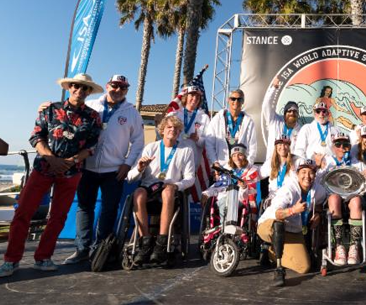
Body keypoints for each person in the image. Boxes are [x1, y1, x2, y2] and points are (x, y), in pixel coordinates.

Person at [0, 73, 103, 277]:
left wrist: (70, 161)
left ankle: (43, 257)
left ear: (89, 92)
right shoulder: (50, 109)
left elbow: (92, 145)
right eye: (75, 86)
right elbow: (36, 136)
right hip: (43, 169)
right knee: (23, 213)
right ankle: (11, 260)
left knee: (58, 217)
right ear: (69, 87)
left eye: (84, 88)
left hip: (71, 172)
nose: (79, 90)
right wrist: (52, 159)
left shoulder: (93, 117)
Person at [64, 74, 144, 265]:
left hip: (114, 170)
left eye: (123, 87)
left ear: (126, 90)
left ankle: (100, 249)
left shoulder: (132, 113)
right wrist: (47, 106)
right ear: (108, 86)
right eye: (115, 85)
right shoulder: (91, 105)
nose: (118, 90)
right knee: (84, 208)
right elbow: (67, 114)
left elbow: (138, 143)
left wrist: (127, 164)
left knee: (109, 210)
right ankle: (82, 249)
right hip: (86, 167)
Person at [125, 116, 195, 265]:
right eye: (169, 127)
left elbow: (190, 178)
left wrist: (177, 185)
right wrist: (140, 167)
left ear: (179, 132)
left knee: (168, 191)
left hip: (170, 189)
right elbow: (130, 178)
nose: (173, 131)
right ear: (162, 130)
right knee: (138, 193)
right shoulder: (151, 148)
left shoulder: (186, 150)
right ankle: (145, 242)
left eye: (176, 129)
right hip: (150, 188)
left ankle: (161, 243)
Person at [257, 159, 326, 287]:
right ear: (297, 174)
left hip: (293, 230)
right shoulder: (288, 189)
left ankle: (270, 252)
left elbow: (320, 203)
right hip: (268, 224)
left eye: (311, 173)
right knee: (279, 224)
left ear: (315, 175)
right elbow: (278, 213)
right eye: (303, 172)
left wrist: (317, 214)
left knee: (304, 266)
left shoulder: (319, 190)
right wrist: (293, 210)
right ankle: (279, 269)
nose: (307, 176)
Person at [318, 133, 366, 266]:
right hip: (333, 200)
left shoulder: (360, 165)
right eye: (338, 144)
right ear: (333, 147)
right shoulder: (327, 163)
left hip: (353, 199)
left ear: (350, 147)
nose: (342, 147)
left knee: (356, 201)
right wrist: (318, 170)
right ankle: (338, 245)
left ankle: (354, 246)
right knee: (334, 199)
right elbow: (317, 186)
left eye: (345, 145)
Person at [201, 144, 259, 224]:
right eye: (234, 155)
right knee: (223, 201)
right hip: (224, 199)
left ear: (245, 156)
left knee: (230, 202)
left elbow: (250, 194)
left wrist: (243, 187)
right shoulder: (227, 170)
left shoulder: (252, 171)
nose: (237, 158)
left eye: (240, 155)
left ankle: (227, 227)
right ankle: (225, 227)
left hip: (241, 200)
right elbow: (218, 186)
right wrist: (206, 193)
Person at [205, 89, 257, 167]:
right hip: (221, 166)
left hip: (240, 167)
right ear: (228, 100)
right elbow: (209, 143)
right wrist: (215, 162)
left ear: (243, 102)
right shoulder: (218, 118)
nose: (236, 101)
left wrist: (247, 166)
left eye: (239, 99)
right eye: (233, 99)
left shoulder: (248, 121)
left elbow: (252, 147)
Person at [262, 79, 302, 160]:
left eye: (295, 111)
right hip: (272, 164)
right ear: (284, 113)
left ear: (298, 114)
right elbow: (266, 105)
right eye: (289, 111)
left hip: (289, 166)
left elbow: (299, 151)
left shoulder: (300, 130)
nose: (292, 113)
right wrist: (274, 88)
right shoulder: (274, 120)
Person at [260, 135, 299, 205]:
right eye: (280, 144)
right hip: (273, 198)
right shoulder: (270, 162)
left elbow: (308, 170)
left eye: (286, 144)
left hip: (289, 199)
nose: (283, 147)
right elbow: (259, 174)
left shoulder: (297, 160)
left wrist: (318, 165)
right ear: (276, 146)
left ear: (289, 146)